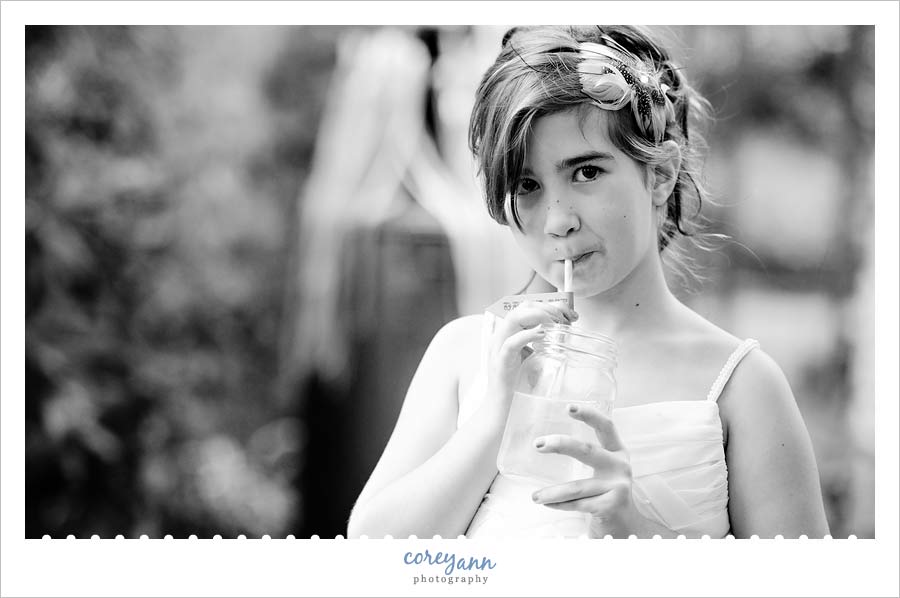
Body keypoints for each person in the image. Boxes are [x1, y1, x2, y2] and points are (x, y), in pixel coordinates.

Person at [346, 25, 830, 539]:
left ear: (660, 175)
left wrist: (640, 533)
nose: (557, 220)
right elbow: (372, 552)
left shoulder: (744, 385)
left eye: (586, 173)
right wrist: (493, 420)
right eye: (526, 185)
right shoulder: (465, 355)